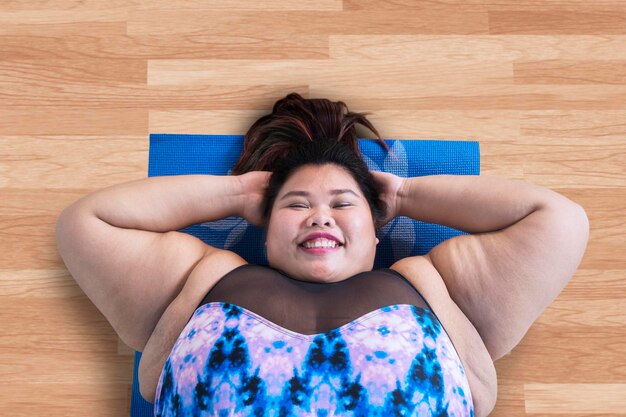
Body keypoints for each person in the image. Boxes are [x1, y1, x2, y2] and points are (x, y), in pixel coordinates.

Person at [54, 93, 589, 417]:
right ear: (263, 230)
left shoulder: (438, 286)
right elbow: (86, 225)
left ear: (377, 231)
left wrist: (402, 196)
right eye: (295, 204)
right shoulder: (198, 277)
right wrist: (241, 194)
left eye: (342, 203)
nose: (320, 216)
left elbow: (557, 220)